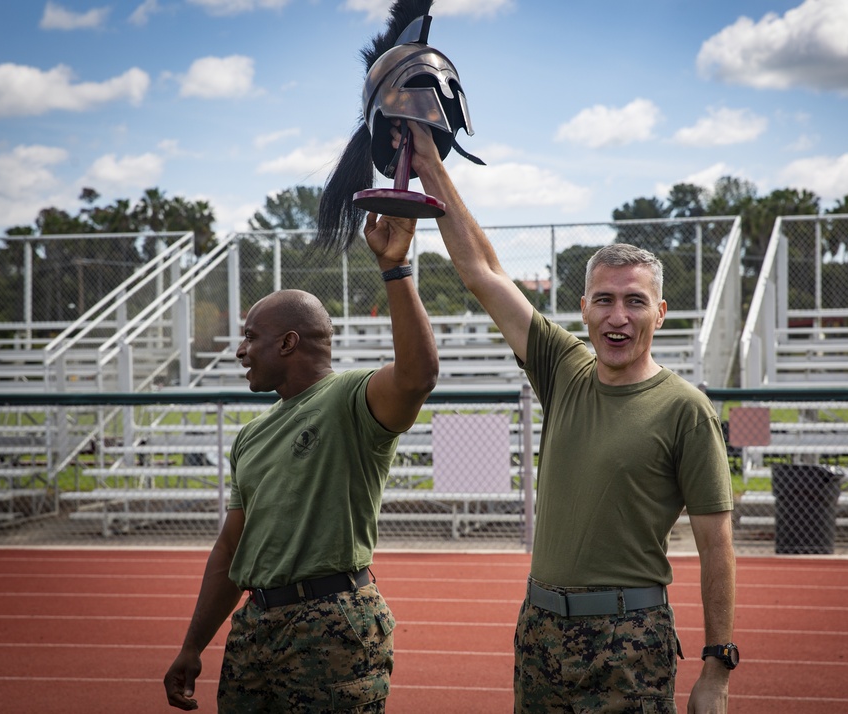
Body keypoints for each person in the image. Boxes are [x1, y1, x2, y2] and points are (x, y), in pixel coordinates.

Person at [399, 120, 737, 713]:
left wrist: (716, 670)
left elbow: (717, 545)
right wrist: (428, 161)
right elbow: (483, 272)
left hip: (630, 642)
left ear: (659, 311)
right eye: (604, 299)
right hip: (540, 629)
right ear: (583, 308)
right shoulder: (564, 369)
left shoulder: (686, 408)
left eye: (635, 301)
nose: (618, 315)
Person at [163, 212, 439, 712]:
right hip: (256, 626)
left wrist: (395, 270)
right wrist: (192, 645)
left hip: (332, 623)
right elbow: (230, 548)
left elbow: (417, 376)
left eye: (251, 337)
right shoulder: (249, 436)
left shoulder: (350, 397)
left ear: (289, 342)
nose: (240, 351)